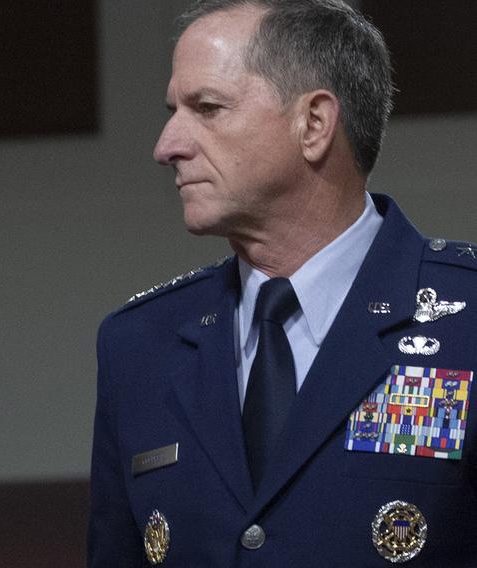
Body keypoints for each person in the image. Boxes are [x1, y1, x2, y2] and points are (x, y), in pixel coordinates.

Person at [88, 0, 476, 566]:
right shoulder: (139, 346)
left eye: (208, 107)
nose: (166, 145)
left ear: (314, 123)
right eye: (175, 110)